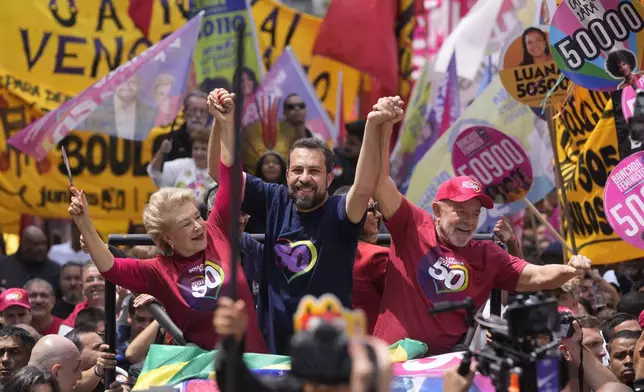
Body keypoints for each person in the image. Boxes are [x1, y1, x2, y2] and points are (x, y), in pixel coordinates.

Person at [370, 100, 593, 355]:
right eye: (460, 211)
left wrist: (570, 269)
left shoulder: (488, 255)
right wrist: (383, 126)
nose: (469, 220)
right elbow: (380, 182)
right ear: (437, 211)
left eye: (475, 213)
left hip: (442, 373)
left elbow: (537, 275)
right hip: (390, 364)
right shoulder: (412, 224)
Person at [70, 91, 266, 352]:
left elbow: (228, 176)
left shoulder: (217, 228)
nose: (198, 226)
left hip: (255, 365)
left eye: (197, 216)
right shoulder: (157, 271)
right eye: (186, 224)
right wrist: (84, 222)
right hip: (205, 378)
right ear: (167, 238)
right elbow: (111, 267)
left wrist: (225, 123)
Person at [210, 88, 402, 354]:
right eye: (298, 170)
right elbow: (220, 175)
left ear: (330, 178)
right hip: (274, 352)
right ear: (287, 174)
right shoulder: (274, 198)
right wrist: (221, 123)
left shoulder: (340, 212)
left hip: (328, 355)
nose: (304, 178)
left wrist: (372, 124)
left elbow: (365, 184)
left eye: (314, 171)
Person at [213, 297, 393, 392]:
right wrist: (232, 341)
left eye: (337, 389)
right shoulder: (292, 387)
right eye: (319, 389)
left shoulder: (364, 380)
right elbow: (236, 384)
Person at [333, 186, 388, 333]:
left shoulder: (314, 252)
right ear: (352, 213)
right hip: (371, 349)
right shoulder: (376, 257)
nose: (379, 215)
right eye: (372, 209)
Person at [147, 127, 214, 201]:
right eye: (196, 148)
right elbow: (155, 173)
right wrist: (161, 152)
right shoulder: (181, 165)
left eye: (203, 149)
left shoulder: (217, 170)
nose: (199, 153)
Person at [83, 75, 156, 141]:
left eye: (132, 82)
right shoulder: (96, 113)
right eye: (121, 82)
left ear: (139, 86)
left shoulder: (151, 114)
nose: (126, 86)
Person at [0, 226, 60, 292]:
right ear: (23, 244)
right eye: (36, 244)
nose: (41, 248)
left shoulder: (56, 270)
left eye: (44, 243)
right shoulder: (2, 265)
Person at [165, 90, 209, 161]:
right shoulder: (171, 140)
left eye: (203, 111)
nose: (198, 115)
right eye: (194, 110)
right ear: (184, 113)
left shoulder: (215, 140)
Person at [329, 120, 366, 195]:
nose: (346, 145)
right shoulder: (335, 161)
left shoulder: (375, 166)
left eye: (352, 143)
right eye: (346, 140)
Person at [63, 262, 105, 327]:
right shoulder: (76, 315)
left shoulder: (123, 304)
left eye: (101, 278)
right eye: (89, 280)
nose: (96, 283)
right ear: (82, 287)